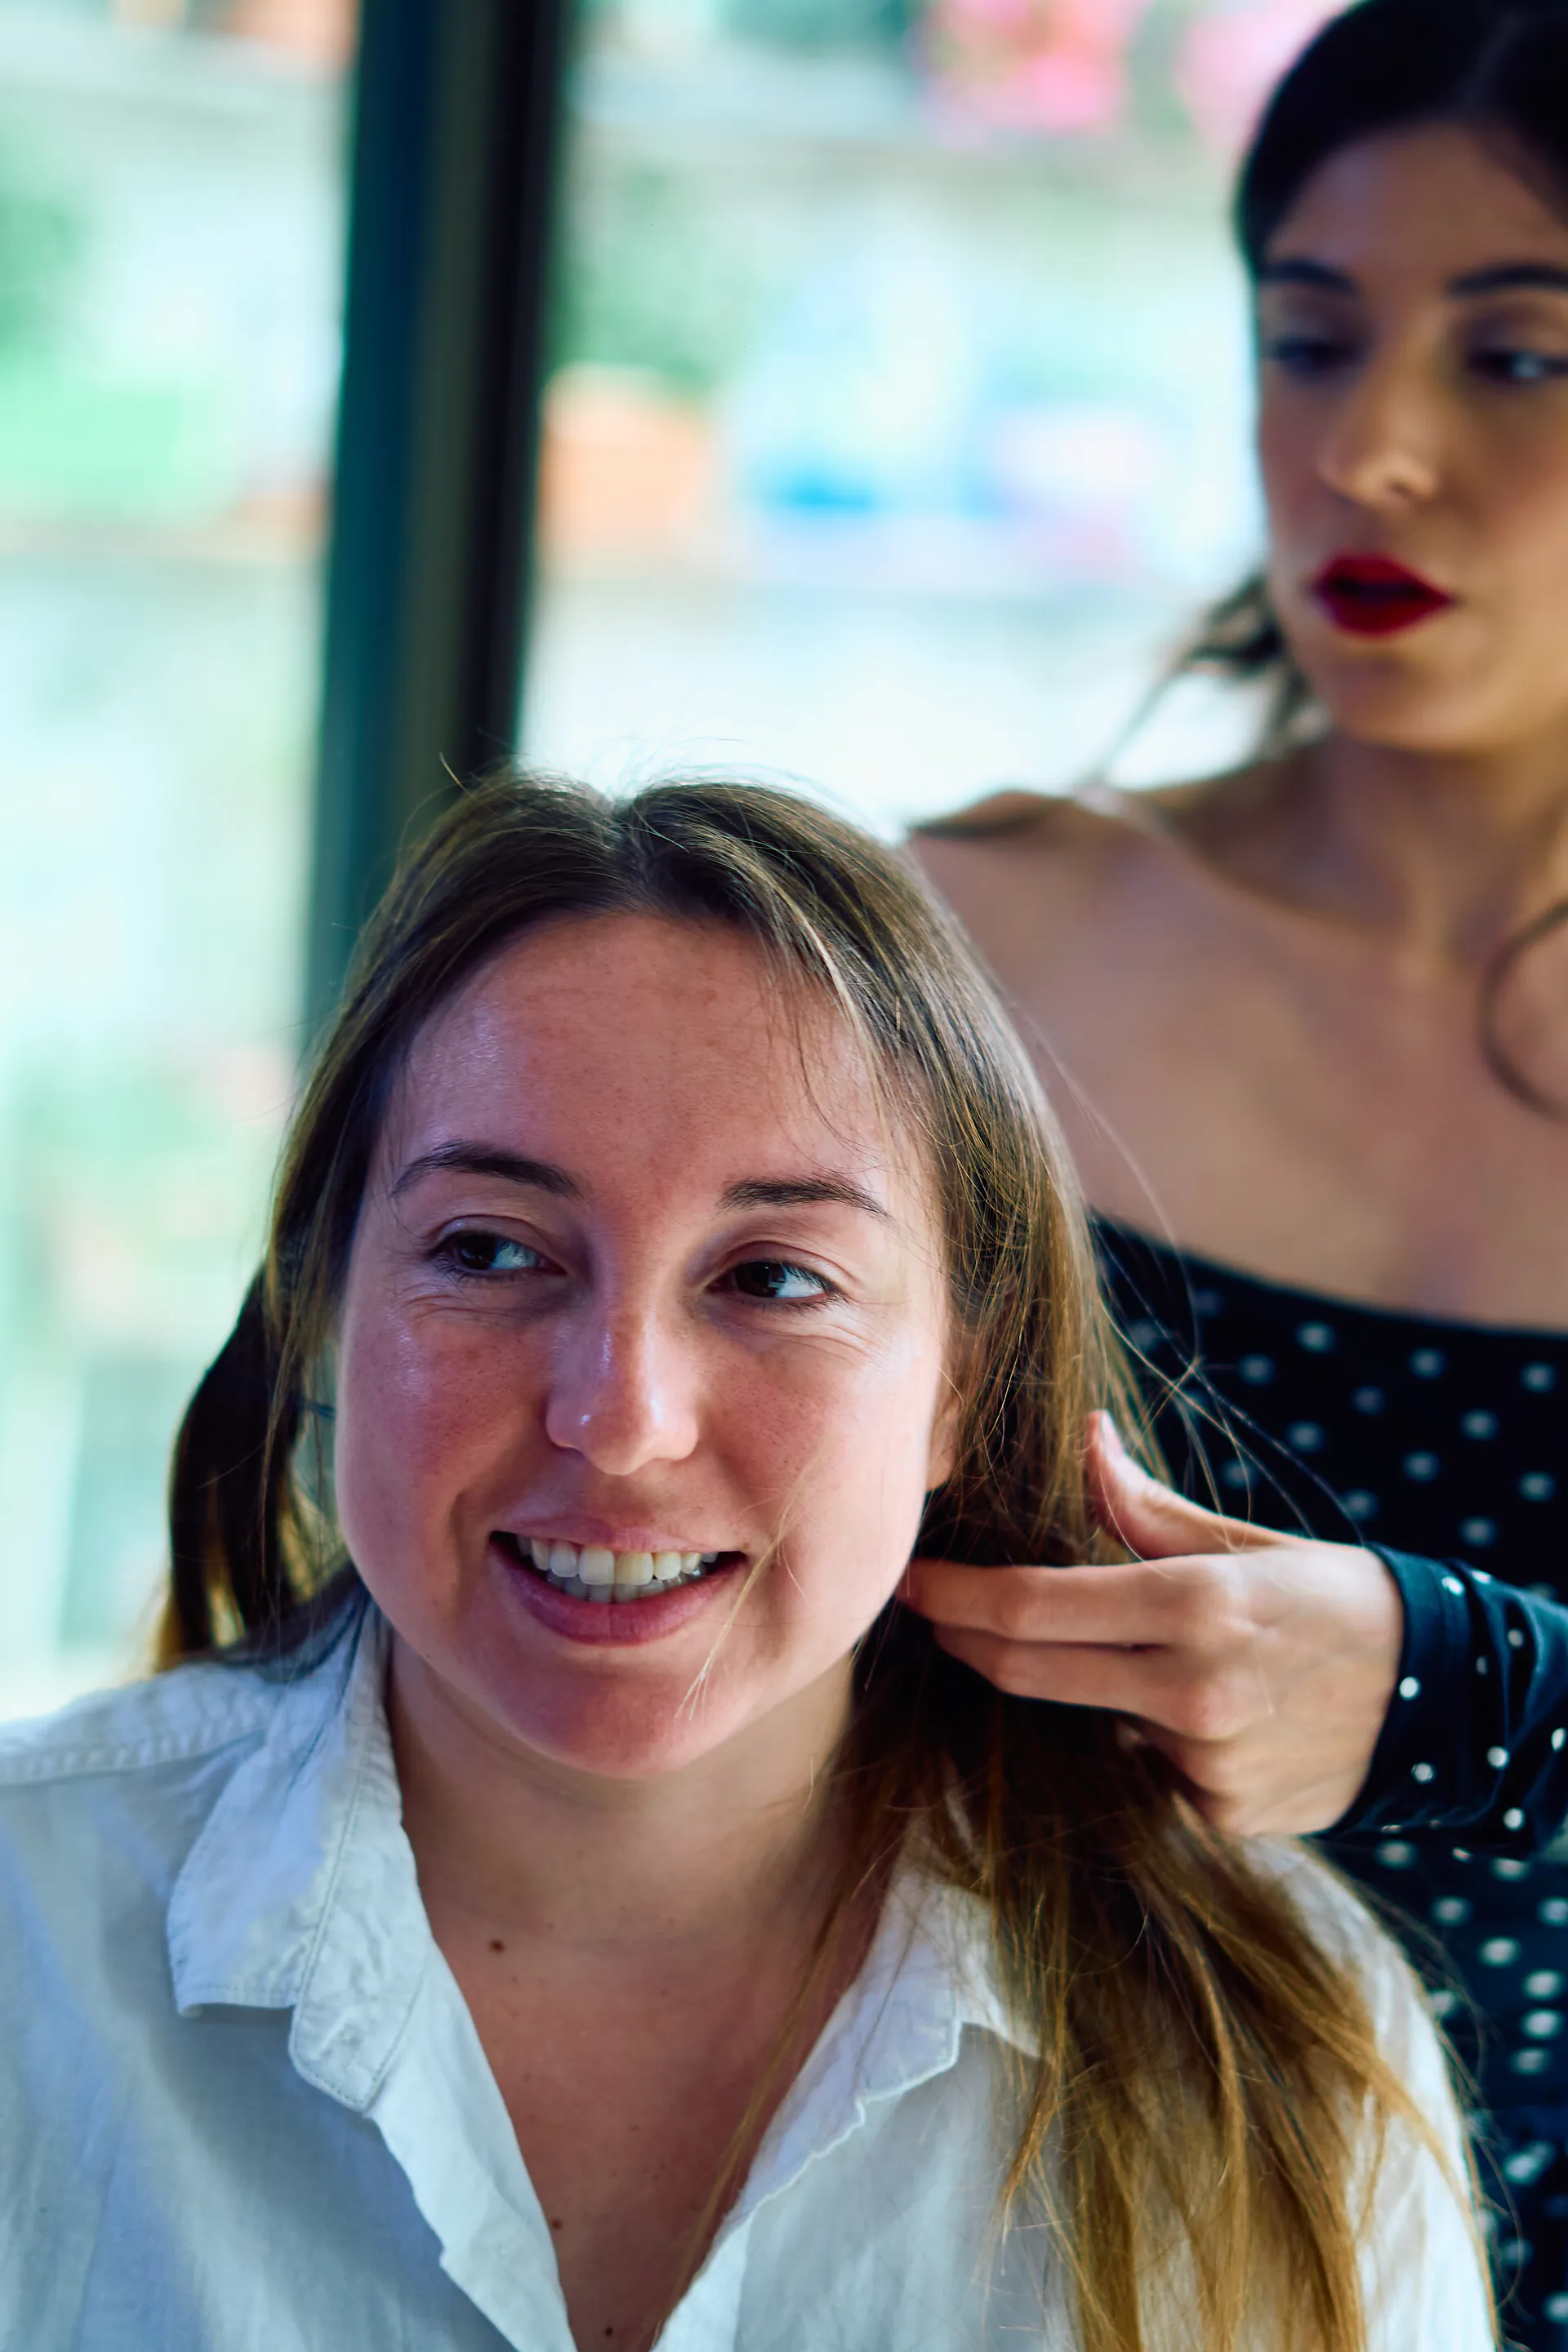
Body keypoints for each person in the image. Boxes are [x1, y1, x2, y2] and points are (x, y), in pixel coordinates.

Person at [0, 776, 1487, 2352]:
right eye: (489, 1250)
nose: (620, 1420)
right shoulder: (30, 1925)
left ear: (962, 1387)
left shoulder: (1288, 2055)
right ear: (329, 1305)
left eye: (774, 1278)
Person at [907, 0, 1568, 2338]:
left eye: (1519, 357)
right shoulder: (975, 941)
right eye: (1311, 339)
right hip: (1027, 2238)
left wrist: (1455, 1682)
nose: (1370, 448)